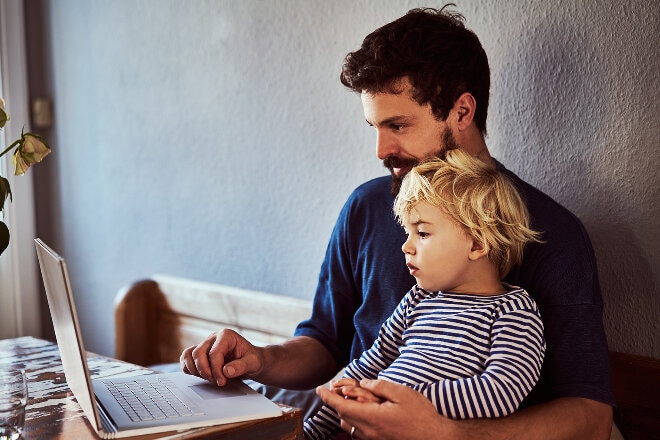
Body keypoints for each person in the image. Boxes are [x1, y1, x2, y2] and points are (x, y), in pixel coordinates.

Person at [181, 6, 615, 439]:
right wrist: (260, 359)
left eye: (398, 125)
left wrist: (445, 432)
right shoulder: (367, 206)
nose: (381, 149)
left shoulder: (545, 233)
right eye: (374, 126)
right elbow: (327, 345)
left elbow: (591, 417)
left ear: (462, 112)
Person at [304, 149, 546, 439]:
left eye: (422, 233)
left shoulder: (513, 312)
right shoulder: (417, 299)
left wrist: (406, 400)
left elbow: (501, 391)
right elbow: (375, 359)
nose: (406, 246)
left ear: (477, 245)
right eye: (407, 232)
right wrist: (315, 426)